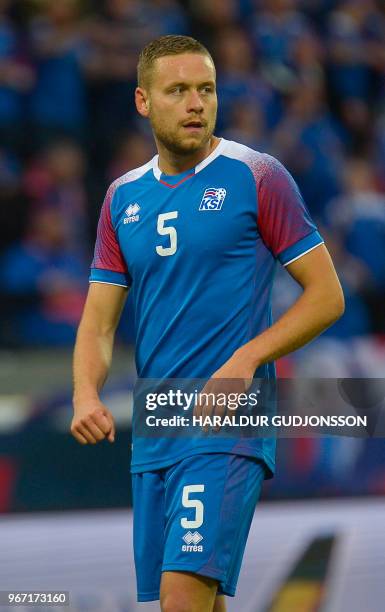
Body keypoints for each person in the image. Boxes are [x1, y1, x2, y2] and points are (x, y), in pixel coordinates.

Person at [71, 35, 344, 612]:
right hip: (158, 426)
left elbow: (326, 296)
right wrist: (84, 392)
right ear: (144, 101)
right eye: (179, 91)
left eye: (207, 90)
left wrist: (244, 360)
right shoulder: (123, 198)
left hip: (227, 425)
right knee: (200, 599)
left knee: (181, 598)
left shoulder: (258, 176)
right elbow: (98, 321)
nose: (196, 103)